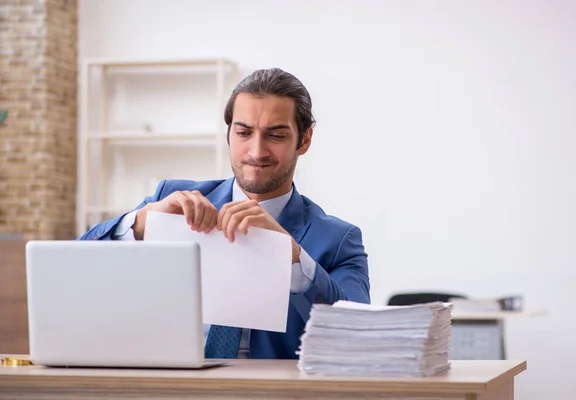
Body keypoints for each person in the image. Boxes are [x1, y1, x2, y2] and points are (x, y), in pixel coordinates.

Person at [78, 68, 370, 359]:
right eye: (244, 133)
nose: (257, 151)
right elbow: (77, 270)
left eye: (276, 135)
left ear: (304, 140)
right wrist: (140, 222)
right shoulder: (169, 199)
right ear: (229, 134)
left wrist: (290, 256)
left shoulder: (338, 240)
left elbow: (359, 338)